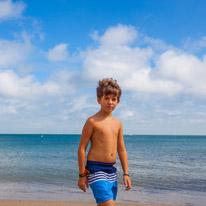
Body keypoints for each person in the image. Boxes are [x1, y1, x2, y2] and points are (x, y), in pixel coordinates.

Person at [78, 78, 131, 206]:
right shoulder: (92, 121)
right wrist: (81, 175)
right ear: (99, 100)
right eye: (106, 98)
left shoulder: (118, 123)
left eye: (113, 99)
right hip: (95, 169)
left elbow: (122, 149)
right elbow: (82, 148)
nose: (110, 102)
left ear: (118, 102)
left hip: (112, 170)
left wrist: (126, 173)